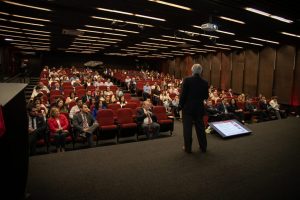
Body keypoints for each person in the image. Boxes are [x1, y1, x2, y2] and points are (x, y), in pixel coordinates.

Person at [179, 64, 208, 154]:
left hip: (188, 108)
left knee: (187, 129)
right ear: (201, 71)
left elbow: (183, 95)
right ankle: (203, 147)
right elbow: (206, 96)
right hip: (199, 108)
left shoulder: (187, 80)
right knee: (201, 128)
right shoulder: (205, 82)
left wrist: (180, 105)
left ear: (192, 71)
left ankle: (188, 148)